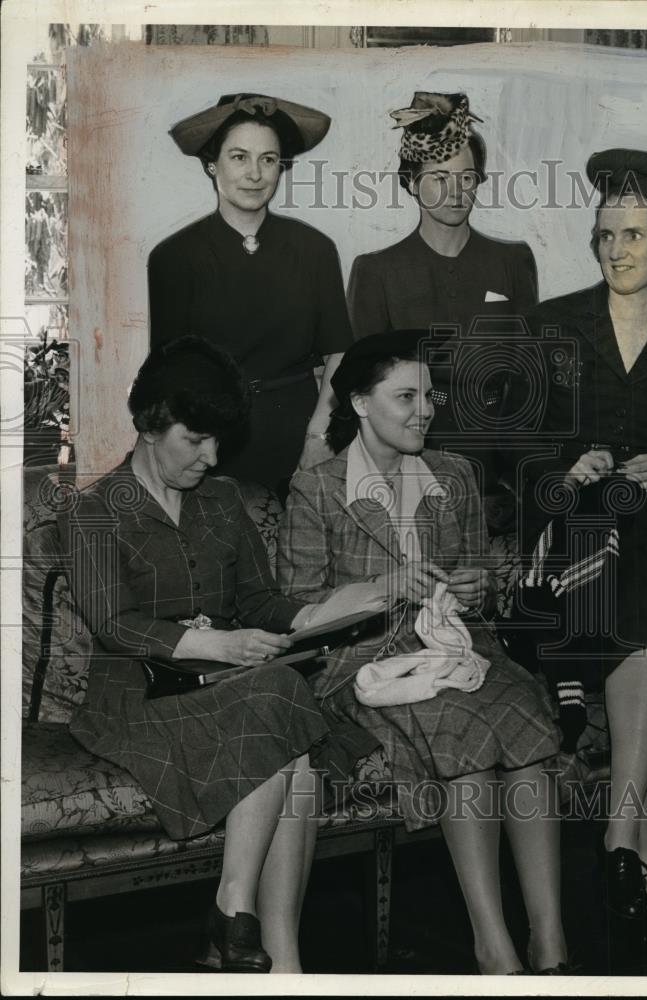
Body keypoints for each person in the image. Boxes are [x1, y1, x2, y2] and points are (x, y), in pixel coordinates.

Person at [61, 336, 378, 973]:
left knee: (282, 717)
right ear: (150, 423)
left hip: (226, 692)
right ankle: (244, 919)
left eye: (217, 441)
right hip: (137, 700)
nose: (209, 456)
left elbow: (260, 601)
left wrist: (322, 613)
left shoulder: (225, 500)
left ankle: (255, 947)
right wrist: (218, 643)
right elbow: (112, 623)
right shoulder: (93, 512)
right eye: (194, 439)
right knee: (286, 719)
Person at [277, 331, 572, 976]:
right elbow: (299, 613)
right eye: (405, 396)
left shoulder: (454, 474)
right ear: (358, 402)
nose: (425, 410)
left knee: (526, 724)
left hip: (457, 648)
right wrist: (381, 590)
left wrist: (479, 585)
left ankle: (550, 941)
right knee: (465, 730)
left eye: (429, 396)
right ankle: (494, 945)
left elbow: (480, 596)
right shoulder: (318, 489)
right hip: (361, 664)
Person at [501, 149, 647, 965]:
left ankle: (623, 843)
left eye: (636, 234)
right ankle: (637, 849)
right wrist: (566, 468)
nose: (617, 250)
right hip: (573, 526)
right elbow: (512, 454)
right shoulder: (550, 327)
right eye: (605, 234)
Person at [148, 93, 354, 497]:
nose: (255, 174)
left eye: (268, 159)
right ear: (213, 164)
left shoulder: (315, 249)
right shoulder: (174, 256)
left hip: (299, 433)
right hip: (211, 437)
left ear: (281, 168)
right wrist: (195, 447)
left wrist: (317, 437)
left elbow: (339, 353)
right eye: (239, 157)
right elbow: (170, 373)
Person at [347, 91, 538, 515]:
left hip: (495, 465)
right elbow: (367, 387)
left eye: (466, 178)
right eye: (439, 177)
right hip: (407, 458)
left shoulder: (512, 260)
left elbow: (528, 373)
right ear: (412, 182)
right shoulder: (376, 271)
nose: (456, 191)